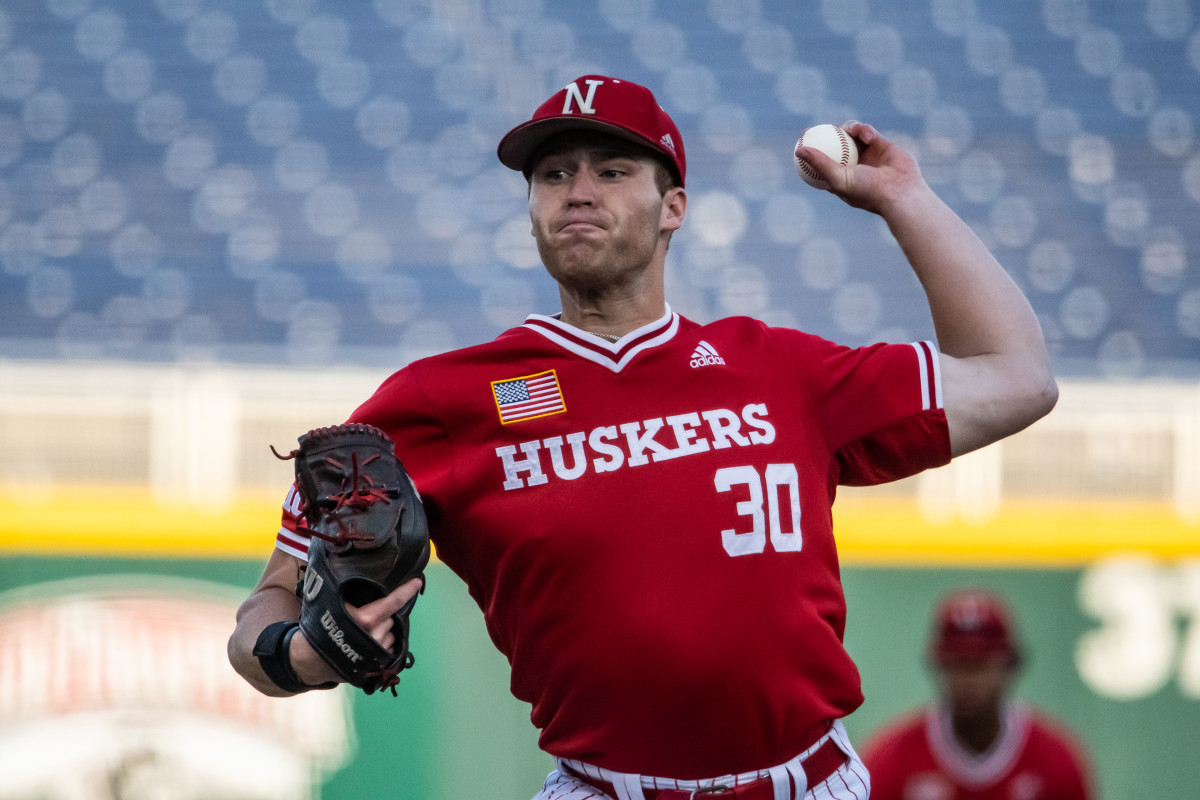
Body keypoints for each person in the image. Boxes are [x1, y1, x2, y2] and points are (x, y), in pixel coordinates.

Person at [228, 74, 1058, 800]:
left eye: (612, 170)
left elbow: (1019, 376)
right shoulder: (436, 402)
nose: (577, 190)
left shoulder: (777, 370)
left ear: (674, 209)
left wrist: (902, 198)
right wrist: (299, 653)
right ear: (530, 213)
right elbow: (264, 609)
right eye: (553, 175)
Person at [860, 590, 1095, 800]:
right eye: (956, 664)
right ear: (938, 666)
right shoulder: (892, 759)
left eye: (980, 665)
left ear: (1010, 666)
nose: (967, 680)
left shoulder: (1055, 760)